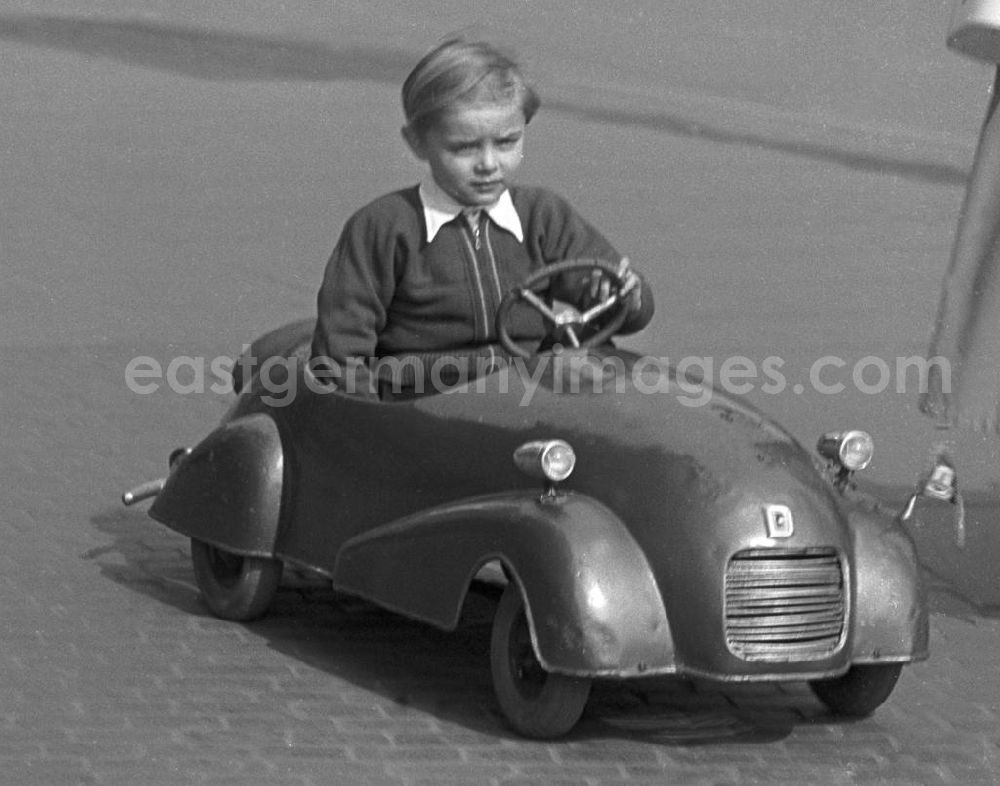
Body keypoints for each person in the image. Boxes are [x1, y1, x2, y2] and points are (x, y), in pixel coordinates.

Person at [309, 38, 654, 398]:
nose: (489, 164)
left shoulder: (543, 215)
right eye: (464, 147)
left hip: (530, 393)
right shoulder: (385, 227)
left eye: (506, 142)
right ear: (417, 143)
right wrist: (372, 422)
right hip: (424, 402)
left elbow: (629, 310)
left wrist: (619, 295)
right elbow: (340, 352)